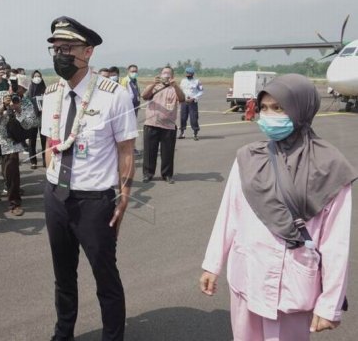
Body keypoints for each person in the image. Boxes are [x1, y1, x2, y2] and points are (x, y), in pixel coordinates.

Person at [199, 74, 357, 340]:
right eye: (264, 108)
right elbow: (229, 215)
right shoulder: (248, 157)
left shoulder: (330, 167)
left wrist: (330, 304)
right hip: (246, 276)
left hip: (292, 285)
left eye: (279, 108)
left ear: (301, 109)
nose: (269, 116)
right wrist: (212, 264)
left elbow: (336, 244)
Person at [41, 16, 138, 341]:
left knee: (105, 277)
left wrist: (123, 196)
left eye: (67, 48)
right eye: (56, 48)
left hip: (95, 201)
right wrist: (51, 181)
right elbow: (49, 145)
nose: (60, 55)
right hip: (57, 196)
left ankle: (113, 336)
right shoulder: (52, 94)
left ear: (88, 52)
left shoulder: (113, 95)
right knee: (62, 277)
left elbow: (126, 150)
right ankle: (63, 333)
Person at [0, 74, 36, 215]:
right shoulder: (1, 95)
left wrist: (19, 110)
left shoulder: (27, 103)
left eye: (20, 89)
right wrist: (3, 106)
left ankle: (15, 203)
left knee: (12, 174)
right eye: (13, 86)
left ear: (24, 90)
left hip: (11, 142)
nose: (14, 91)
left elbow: (30, 124)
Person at [141, 66, 185, 184]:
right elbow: (144, 96)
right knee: (149, 151)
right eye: (164, 73)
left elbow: (182, 99)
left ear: (172, 76)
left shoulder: (174, 89)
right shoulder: (155, 86)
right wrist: (152, 84)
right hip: (151, 124)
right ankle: (148, 174)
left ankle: (167, 175)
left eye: (168, 74)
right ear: (160, 75)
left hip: (168, 126)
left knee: (168, 152)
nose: (166, 75)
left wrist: (175, 85)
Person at [27, 70, 47, 169]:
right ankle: (33, 161)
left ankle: (45, 160)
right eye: (35, 76)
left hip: (43, 119)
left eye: (39, 76)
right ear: (32, 78)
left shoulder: (46, 90)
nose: (37, 78)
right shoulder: (29, 91)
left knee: (44, 141)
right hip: (33, 119)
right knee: (32, 141)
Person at [120, 64, 141, 156]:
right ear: (128, 72)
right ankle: (129, 148)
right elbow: (122, 94)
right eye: (132, 71)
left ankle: (132, 147)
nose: (134, 73)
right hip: (128, 109)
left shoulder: (134, 81)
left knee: (132, 128)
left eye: (136, 71)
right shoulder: (125, 81)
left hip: (135, 107)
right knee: (129, 128)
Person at [178, 66, 203, 140]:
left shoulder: (197, 81)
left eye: (189, 74)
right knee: (183, 118)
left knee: (194, 118)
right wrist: (181, 98)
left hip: (193, 103)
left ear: (192, 74)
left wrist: (194, 98)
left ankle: (195, 134)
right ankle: (182, 133)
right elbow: (180, 90)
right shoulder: (183, 81)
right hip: (184, 102)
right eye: (187, 73)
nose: (188, 75)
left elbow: (201, 91)